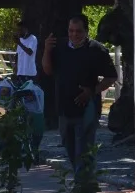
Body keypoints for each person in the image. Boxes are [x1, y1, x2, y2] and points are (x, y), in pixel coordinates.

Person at [40, 13, 118, 182]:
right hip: (64, 105)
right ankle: (82, 179)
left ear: (86, 31)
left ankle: (83, 186)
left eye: (79, 31)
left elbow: (111, 77)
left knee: (84, 147)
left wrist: (92, 91)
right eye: (71, 31)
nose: (74, 34)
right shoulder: (59, 47)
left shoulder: (97, 49)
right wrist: (46, 49)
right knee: (68, 145)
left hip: (87, 107)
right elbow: (47, 70)